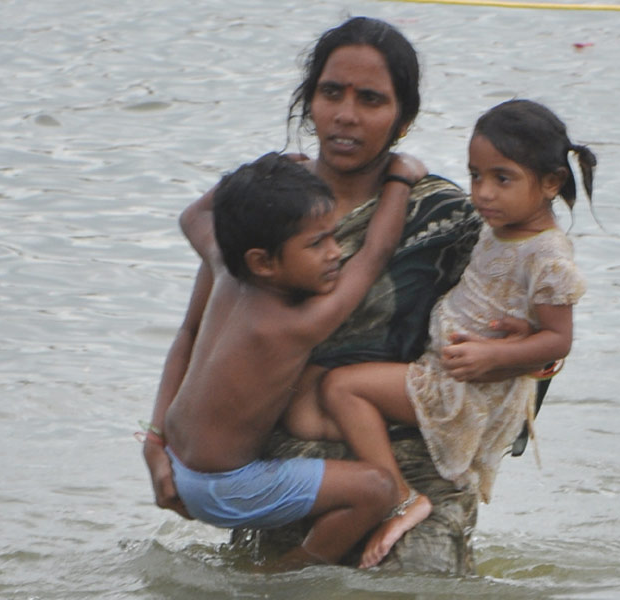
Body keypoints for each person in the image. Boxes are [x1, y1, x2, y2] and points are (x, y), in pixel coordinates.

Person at [143, 16, 524, 573]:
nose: (346, 114)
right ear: (309, 101)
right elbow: (195, 335)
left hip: (410, 474)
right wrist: (157, 443)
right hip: (280, 481)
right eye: (331, 93)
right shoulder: (263, 220)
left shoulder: (446, 221)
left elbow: (524, 330)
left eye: (371, 99)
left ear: (404, 118)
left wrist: (527, 356)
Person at [309, 99, 596, 568]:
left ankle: (401, 499)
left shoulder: (547, 255)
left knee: (342, 388)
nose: (483, 192)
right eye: (476, 175)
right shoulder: (504, 228)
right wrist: (523, 332)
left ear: (550, 183)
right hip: (453, 370)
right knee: (323, 400)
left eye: (502, 179)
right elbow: (535, 326)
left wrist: (491, 357)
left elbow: (559, 340)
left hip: (464, 386)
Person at [158, 150, 426, 567]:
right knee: (378, 488)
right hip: (225, 486)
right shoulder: (291, 323)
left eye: (334, 236)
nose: (336, 252)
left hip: (177, 460)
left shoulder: (226, 267)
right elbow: (375, 253)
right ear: (263, 262)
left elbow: (193, 215)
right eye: (317, 243)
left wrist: (265, 168)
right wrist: (401, 179)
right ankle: (285, 574)